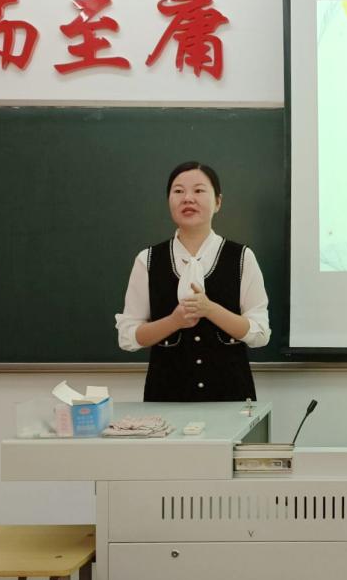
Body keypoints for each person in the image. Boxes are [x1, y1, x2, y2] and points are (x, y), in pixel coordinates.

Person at [115, 161, 270, 401]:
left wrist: (210, 309)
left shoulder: (242, 257)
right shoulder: (148, 260)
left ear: (218, 202)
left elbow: (260, 334)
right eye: (178, 191)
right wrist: (174, 321)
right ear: (169, 201)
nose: (188, 198)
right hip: (165, 400)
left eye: (198, 190)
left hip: (231, 399)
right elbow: (129, 337)